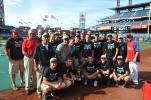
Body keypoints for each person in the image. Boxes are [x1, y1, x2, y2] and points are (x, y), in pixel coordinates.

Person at [33, 33, 55, 98]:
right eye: (45, 37)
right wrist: (35, 66)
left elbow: (53, 55)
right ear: (42, 38)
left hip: (48, 66)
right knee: (40, 79)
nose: (46, 38)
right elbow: (35, 57)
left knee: (48, 79)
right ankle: (39, 92)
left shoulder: (50, 45)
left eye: (47, 37)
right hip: (41, 66)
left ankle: (47, 92)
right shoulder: (38, 46)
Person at [22, 29, 39, 95]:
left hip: (35, 59)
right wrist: (30, 57)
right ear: (28, 34)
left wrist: (35, 58)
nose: (32, 34)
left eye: (33, 33)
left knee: (35, 73)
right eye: (31, 33)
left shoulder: (37, 41)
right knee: (28, 73)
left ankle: (35, 86)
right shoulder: (25, 41)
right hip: (28, 58)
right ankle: (27, 88)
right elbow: (23, 52)